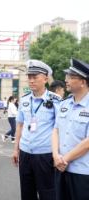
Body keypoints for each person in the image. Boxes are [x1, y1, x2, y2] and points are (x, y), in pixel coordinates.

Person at [12, 60, 61, 200]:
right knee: (27, 193)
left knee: (48, 193)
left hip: (45, 155)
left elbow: (60, 130)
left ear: (45, 79)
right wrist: (16, 150)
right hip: (25, 153)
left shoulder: (56, 101)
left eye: (35, 77)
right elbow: (20, 126)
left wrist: (57, 154)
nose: (31, 80)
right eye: (29, 77)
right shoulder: (25, 100)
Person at [51, 57, 89, 200]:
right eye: (67, 76)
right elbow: (56, 131)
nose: (66, 80)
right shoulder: (64, 104)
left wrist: (63, 159)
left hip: (82, 172)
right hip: (61, 168)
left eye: (70, 77)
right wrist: (55, 155)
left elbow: (88, 142)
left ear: (82, 82)